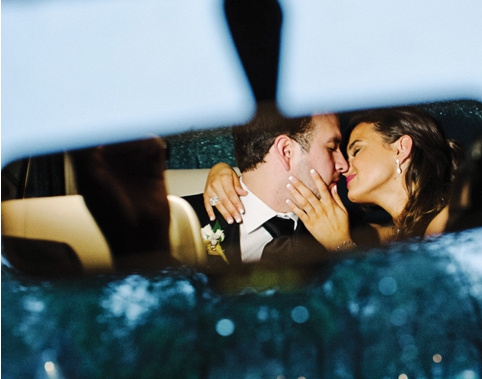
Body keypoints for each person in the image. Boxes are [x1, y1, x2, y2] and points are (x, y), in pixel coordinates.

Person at [205, 106, 461, 252]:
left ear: (400, 148)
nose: (345, 166)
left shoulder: (447, 221)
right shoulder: (381, 232)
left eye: (356, 150)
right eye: (335, 149)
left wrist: (340, 245)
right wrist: (225, 171)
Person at [186, 111, 354, 270]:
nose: (344, 165)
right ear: (286, 151)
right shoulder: (181, 217)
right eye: (331, 148)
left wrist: (341, 247)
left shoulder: (347, 233)